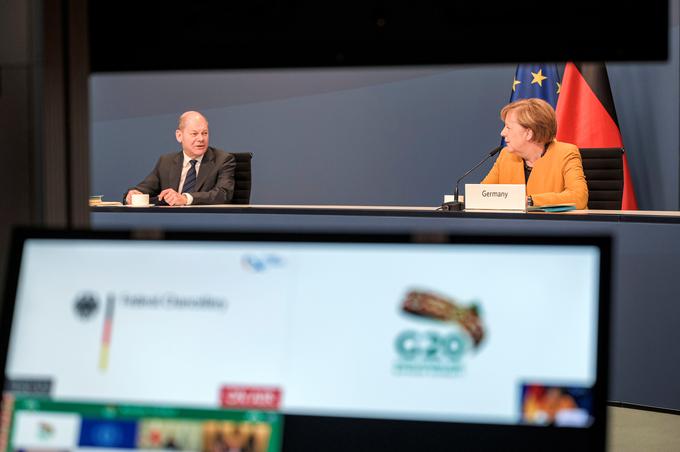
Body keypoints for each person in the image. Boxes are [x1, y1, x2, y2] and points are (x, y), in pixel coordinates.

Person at [481, 98, 588, 209]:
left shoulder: (565, 153)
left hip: (556, 225)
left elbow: (579, 198)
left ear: (528, 133)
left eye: (508, 127)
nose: (502, 133)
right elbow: (482, 195)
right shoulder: (506, 156)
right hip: (512, 225)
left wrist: (530, 201)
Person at [125, 111, 236, 205]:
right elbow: (144, 189)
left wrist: (186, 198)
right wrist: (132, 194)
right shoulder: (166, 162)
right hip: (170, 224)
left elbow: (223, 194)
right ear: (179, 136)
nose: (201, 138)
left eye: (205, 133)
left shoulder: (223, 160)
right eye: (194, 134)